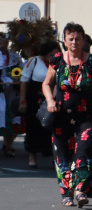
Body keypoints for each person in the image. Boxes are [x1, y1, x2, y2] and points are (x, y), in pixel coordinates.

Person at [42, 22, 92, 207]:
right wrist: (49, 100)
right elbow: (46, 84)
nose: (74, 42)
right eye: (71, 39)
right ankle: (66, 193)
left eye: (78, 39)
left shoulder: (91, 61)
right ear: (64, 41)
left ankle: (81, 190)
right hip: (60, 115)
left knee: (84, 150)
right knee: (62, 154)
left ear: (83, 41)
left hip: (87, 116)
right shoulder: (56, 60)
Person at [19, 40, 59, 168]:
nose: (54, 57)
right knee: (33, 125)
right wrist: (23, 100)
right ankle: (32, 156)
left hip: (52, 97)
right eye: (52, 54)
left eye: (57, 54)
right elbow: (24, 82)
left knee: (52, 126)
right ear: (45, 53)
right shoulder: (34, 61)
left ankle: (53, 155)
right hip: (35, 98)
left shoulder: (59, 62)